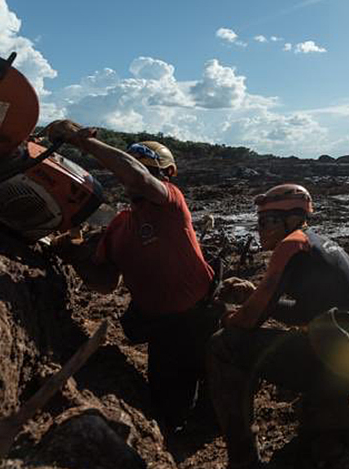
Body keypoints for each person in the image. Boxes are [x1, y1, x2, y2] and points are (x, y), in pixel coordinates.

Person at [207, 183, 349, 469]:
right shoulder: (320, 243)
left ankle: (243, 460)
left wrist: (230, 316)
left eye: (265, 221)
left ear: (288, 220)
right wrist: (257, 297)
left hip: (335, 358)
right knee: (312, 413)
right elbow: (304, 312)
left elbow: (250, 319)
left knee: (222, 345)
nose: (260, 228)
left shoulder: (291, 245)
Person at [44, 121, 218, 431]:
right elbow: (105, 284)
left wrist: (82, 142)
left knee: (217, 407)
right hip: (165, 330)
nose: (140, 179)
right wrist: (72, 254)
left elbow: (136, 175)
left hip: (204, 318)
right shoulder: (119, 226)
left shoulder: (171, 203)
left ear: (167, 175)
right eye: (140, 169)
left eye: (152, 170)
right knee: (170, 413)